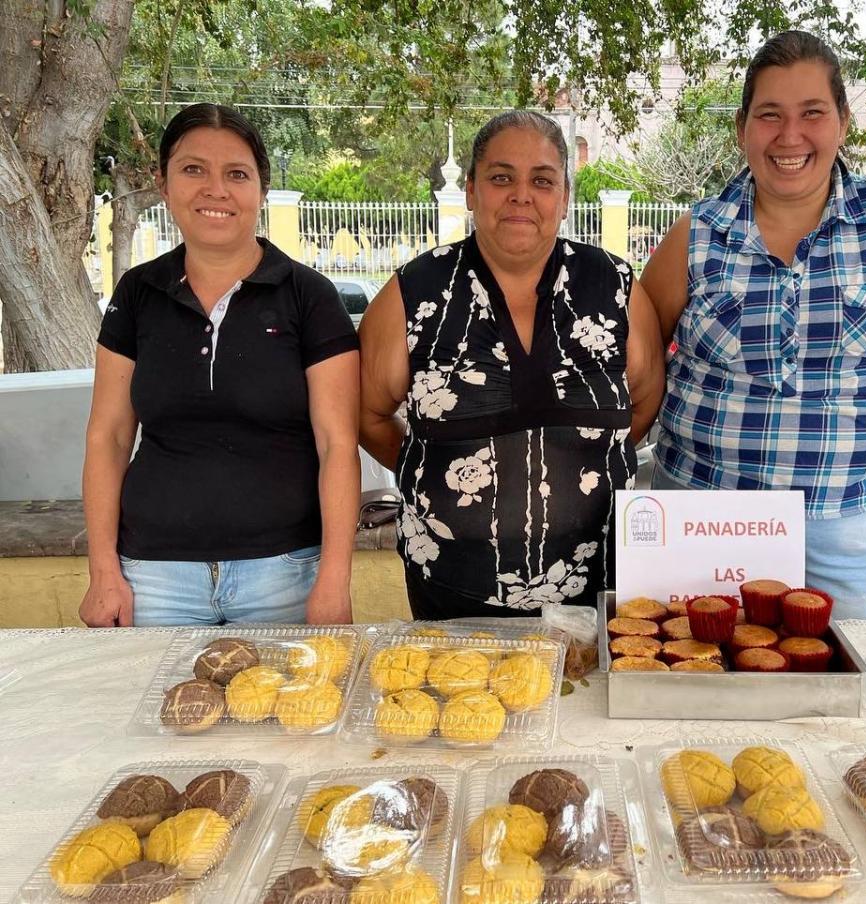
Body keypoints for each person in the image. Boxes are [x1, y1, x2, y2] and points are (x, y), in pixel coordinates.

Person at [640, 31, 866, 604]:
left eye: (811, 112)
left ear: (841, 120)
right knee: (693, 682)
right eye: (769, 115)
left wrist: (862, 420)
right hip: (704, 518)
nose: (790, 136)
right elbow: (642, 358)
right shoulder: (697, 234)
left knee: (845, 683)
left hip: (848, 526)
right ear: (743, 128)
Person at [359, 111, 664, 620]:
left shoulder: (613, 288)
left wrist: (584, 461)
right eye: (502, 177)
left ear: (564, 197)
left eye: (542, 180)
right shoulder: (415, 293)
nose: (522, 194)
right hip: (452, 592)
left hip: (597, 593)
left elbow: (646, 398)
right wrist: (438, 473)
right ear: (471, 191)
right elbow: (367, 415)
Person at [80, 103, 361, 627]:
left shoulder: (310, 296)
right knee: (155, 712)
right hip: (153, 578)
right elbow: (109, 436)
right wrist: (103, 572)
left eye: (237, 174)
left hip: (284, 573)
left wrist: (334, 580)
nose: (216, 189)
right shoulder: (137, 293)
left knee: (285, 712)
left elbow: (337, 444)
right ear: (165, 185)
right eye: (193, 170)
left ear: (260, 189)